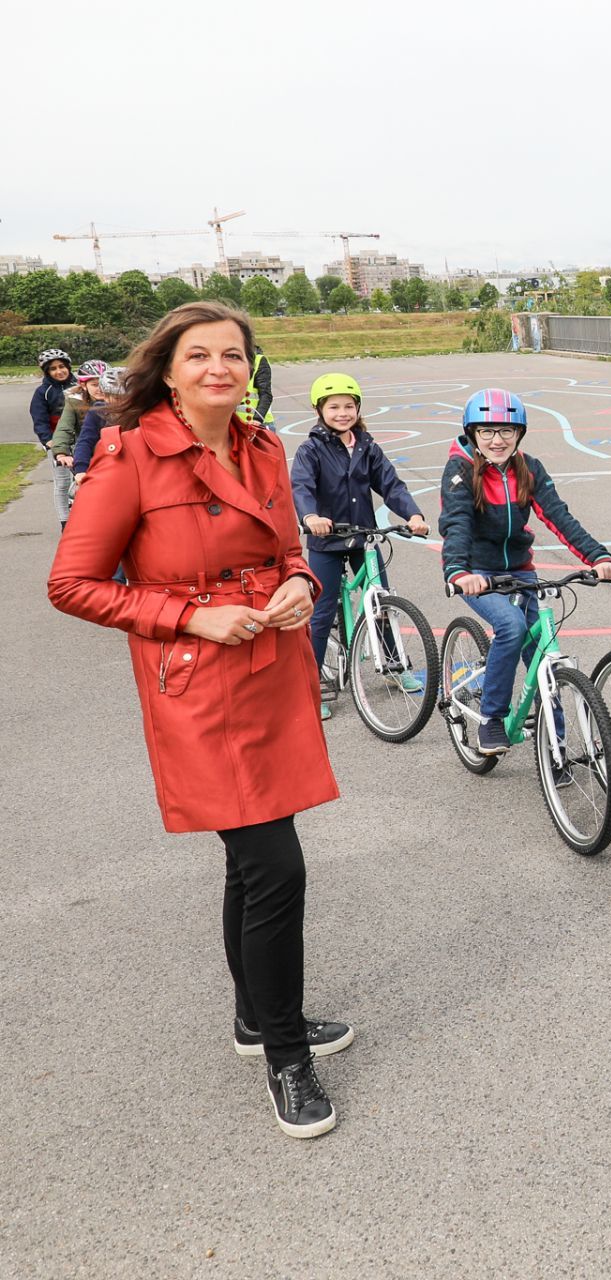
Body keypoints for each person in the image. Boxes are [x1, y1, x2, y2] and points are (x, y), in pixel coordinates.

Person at [46, 301, 351, 1140]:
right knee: (276, 868)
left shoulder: (262, 446)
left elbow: (289, 550)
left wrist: (301, 584)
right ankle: (287, 1056)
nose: (219, 368)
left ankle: (257, 1020)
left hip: (272, 668)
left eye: (233, 355)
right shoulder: (132, 456)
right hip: (199, 683)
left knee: (252, 868)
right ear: (169, 370)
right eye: (199, 356)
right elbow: (72, 584)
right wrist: (191, 617)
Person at [439, 387, 611, 756]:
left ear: (519, 433)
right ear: (472, 433)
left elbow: (558, 515)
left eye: (507, 431)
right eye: (486, 431)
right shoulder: (460, 470)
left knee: (540, 649)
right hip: (479, 572)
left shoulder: (529, 467)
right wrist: (457, 571)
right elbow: (456, 522)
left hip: (521, 571)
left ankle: (557, 744)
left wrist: (598, 557)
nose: (497, 439)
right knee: (511, 627)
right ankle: (492, 718)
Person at [292, 372, 429, 721]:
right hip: (327, 540)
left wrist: (413, 515)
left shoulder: (367, 446)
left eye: (348, 406)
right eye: (334, 407)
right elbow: (302, 488)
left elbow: (391, 484)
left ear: (358, 409)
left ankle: (396, 666)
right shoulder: (311, 449)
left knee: (381, 601)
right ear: (318, 409)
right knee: (321, 613)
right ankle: (308, 686)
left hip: (363, 537)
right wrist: (309, 518)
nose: (342, 413)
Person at [48, 360, 109, 528]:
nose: (100, 389)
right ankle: (74, 526)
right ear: (83, 385)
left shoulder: (118, 400)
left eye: (103, 383)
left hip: (113, 455)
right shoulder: (75, 401)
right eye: (95, 384)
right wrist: (62, 452)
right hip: (86, 454)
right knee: (78, 493)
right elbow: (64, 428)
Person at [30, 348, 76, 527]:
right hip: (58, 443)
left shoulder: (79, 385)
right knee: (63, 482)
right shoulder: (43, 392)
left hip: (80, 438)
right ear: (47, 372)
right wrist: (49, 442)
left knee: (83, 478)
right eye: (54, 369)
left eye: (62, 366)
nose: (59, 371)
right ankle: (65, 522)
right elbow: (39, 419)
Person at [242, 345, 273, 426]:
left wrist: (257, 419)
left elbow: (266, 395)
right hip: (237, 425)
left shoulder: (259, 361)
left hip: (259, 423)